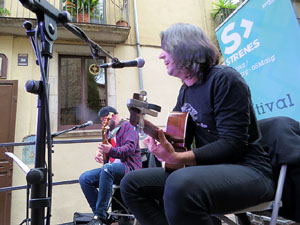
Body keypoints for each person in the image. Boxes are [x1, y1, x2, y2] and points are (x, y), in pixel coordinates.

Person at [120, 23, 275, 225]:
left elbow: (232, 144)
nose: (161, 56)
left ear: (183, 49)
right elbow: (175, 137)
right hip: (208, 171)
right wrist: (157, 140)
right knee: (131, 184)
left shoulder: (225, 79)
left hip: (250, 171)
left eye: (165, 50)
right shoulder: (185, 91)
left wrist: (177, 156)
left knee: (179, 183)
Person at [79, 106, 142, 225]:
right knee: (84, 178)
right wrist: (99, 152)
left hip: (129, 168)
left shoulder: (128, 127)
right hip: (111, 169)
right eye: (102, 120)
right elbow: (106, 148)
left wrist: (110, 150)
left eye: (105, 119)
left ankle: (99, 215)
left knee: (107, 169)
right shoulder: (108, 132)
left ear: (113, 116)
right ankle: (103, 217)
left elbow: (129, 149)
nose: (103, 122)